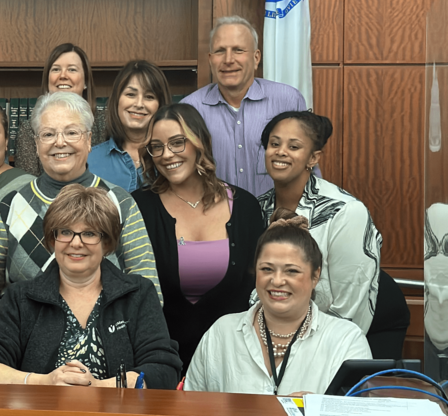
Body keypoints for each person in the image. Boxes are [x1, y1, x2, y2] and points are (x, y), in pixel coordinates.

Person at [0, 185, 181, 388]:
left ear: (106, 243)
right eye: (66, 232)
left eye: (89, 233)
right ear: (53, 239)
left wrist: (99, 387)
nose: (76, 243)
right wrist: (45, 382)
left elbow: (164, 369)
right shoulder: (20, 298)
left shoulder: (138, 293)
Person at [257, 111, 409, 358]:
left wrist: (309, 358)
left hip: (357, 326)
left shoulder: (345, 211)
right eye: (274, 144)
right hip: (285, 332)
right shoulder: (256, 208)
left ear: (313, 158)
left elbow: (351, 303)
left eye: (293, 146)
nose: (280, 151)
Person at [0, 92, 160, 300]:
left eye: (71, 133)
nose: (60, 142)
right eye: (48, 134)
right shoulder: (9, 204)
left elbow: (148, 287)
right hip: (25, 331)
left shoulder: (119, 201)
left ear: (88, 140)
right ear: (36, 144)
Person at [131, 103, 265, 370]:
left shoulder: (246, 208)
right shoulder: (138, 208)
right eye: (157, 146)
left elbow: (258, 294)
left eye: (177, 142)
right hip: (161, 363)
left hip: (236, 363)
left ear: (199, 142)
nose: (167, 154)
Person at [186, 210, 372, 395]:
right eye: (267, 269)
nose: (277, 281)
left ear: (315, 276)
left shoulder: (346, 341)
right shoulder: (222, 333)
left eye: (291, 271)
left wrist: (320, 409)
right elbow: (191, 410)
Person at [180, 16, 313, 197]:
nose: (228, 59)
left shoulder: (288, 101)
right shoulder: (189, 109)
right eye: (220, 51)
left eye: (238, 50)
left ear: (256, 57)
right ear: (211, 60)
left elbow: (308, 166)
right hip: (215, 221)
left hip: (277, 220)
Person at [16, 43, 107, 176]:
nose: (63, 76)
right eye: (56, 69)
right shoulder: (29, 128)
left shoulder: (104, 123)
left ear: (86, 81)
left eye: (72, 69)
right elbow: (27, 181)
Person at [88, 60, 172, 192]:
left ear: (161, 105)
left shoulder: (173, 158)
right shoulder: (89, 160)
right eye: (131, 94)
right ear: (117, 100)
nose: (139, 104)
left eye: (149, 97)